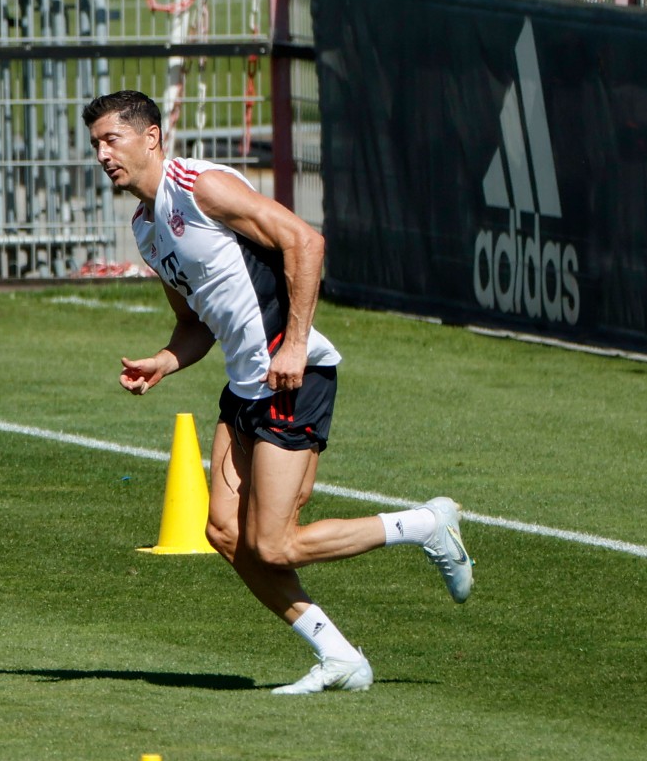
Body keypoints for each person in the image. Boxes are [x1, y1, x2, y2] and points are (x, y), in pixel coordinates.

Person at [82, 90, 472, 695]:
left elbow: (305, 242)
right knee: (225, 534)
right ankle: (340, 657)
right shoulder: (146, 228)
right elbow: (193, 325)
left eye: (113, 139)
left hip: (295, 376)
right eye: (96, 144)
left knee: (274, 543)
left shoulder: (201, 187)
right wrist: (164, 360)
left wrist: (291, 345)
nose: (103, 153)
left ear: (151, 137)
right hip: (244, 387)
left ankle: (423, 525)